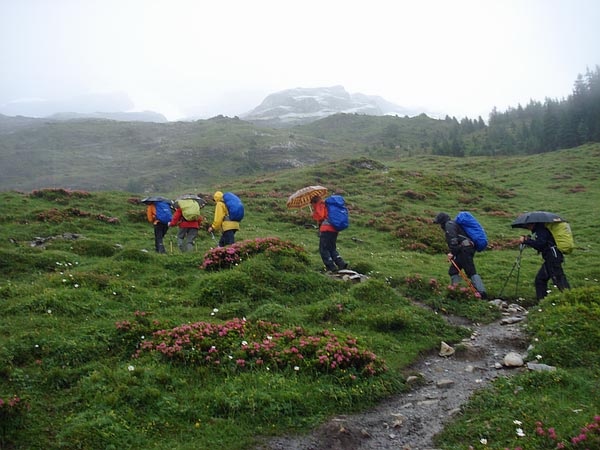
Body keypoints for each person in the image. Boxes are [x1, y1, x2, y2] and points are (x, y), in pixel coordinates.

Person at [434, 212, 488, 299]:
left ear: (442, 221)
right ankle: (457, 291)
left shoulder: (449, 225)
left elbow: (453, 241)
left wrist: (452, 253)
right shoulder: (453, 224)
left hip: (465, 250)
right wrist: (453, 252)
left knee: (470, 271)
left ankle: (482, 293)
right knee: (453, 271)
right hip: (465, 249)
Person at [519, 223, 570, 300]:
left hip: (552, 258)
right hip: (552, 258)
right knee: (540, 279)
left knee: (558, 279)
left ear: (532, 223)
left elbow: (540, 245)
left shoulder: (541, 230)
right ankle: (542, 302)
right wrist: (529, 240)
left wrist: (527, 241)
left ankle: (570, 298)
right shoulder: (540, 230)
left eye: (527, 225)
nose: (527, 227)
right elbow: (542, 244)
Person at [310, 195, 348, 272]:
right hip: (334, 229)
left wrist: (314, 215)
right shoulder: (327, 205)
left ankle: (331, 267)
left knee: (323, 249)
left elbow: (321, 216)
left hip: (326, 229)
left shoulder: (320, 204)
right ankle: (341, 263)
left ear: (314, 202)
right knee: (331, 248)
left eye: (312, 205)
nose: (313, 206)